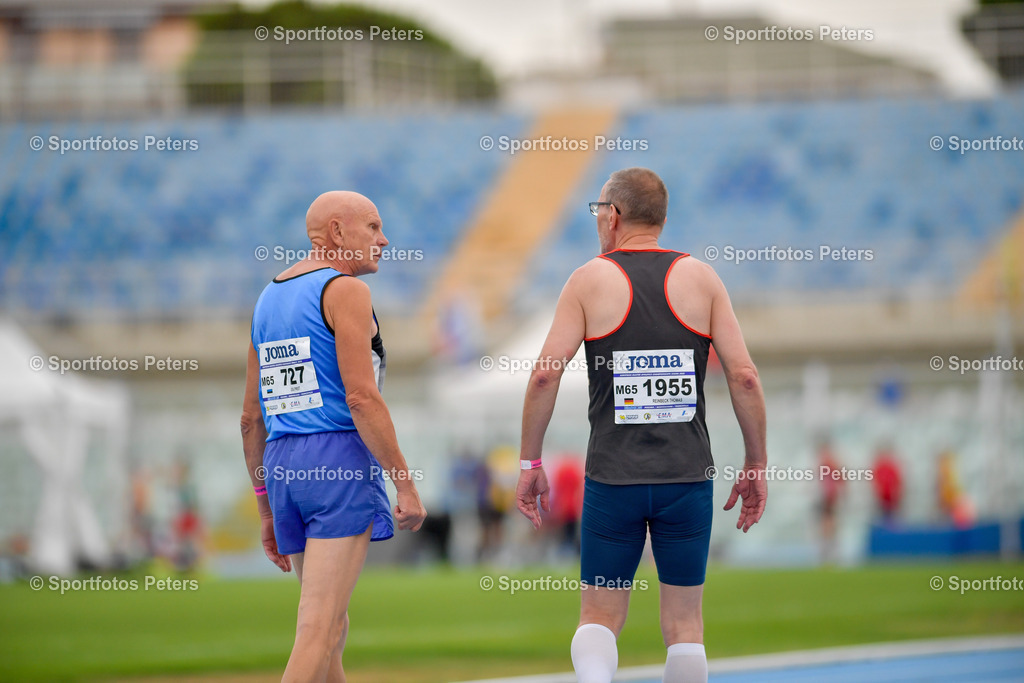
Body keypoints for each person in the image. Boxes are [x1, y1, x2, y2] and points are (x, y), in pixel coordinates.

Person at [515, 168, 768, 683]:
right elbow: (744, 377)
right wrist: (756, 464)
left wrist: (530, 462)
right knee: (684, 626)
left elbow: (544, 376)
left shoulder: (588, 280)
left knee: (599, 618)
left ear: (613, 216)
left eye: (598, 212)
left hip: (614, 479)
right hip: (686, 477)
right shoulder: (702, 279)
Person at [240, 191, 426, 683]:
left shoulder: (267, 298)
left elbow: (251, 419)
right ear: (338, 232)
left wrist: (265, 508)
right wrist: (405, 484)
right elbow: (361, 398)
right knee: (317, 630)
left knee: (331, 631)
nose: (385, 240)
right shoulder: (346, 291)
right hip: (336, 460)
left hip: (282, 465)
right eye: (374, 227)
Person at [871, 444, 904, 524]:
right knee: (882, 517)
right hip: (881, 498)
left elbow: (897, 481)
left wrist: (896, 493)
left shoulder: (892, 466)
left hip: (892, 498)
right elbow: (875, 480)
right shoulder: (879, 466)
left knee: (891, 518)